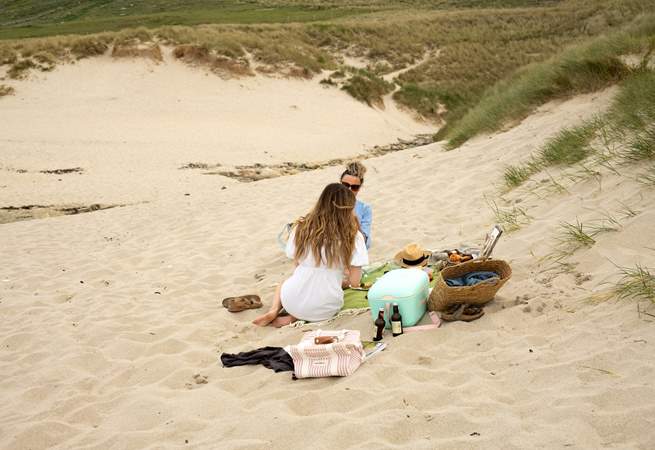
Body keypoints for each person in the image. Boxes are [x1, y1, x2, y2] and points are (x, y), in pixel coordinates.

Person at [253, 183, 369, 327]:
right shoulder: (353, 236)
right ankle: (291, 318)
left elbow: (297, 265)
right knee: (322, 292)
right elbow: (354, 282)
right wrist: (340, 281)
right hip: (326, 309)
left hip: (292, 299)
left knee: (286, 283)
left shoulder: (301, 228)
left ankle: (274, 310)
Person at [340, 161, 372, 249]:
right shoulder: (329, 202)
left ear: (360, 188)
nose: (349, 190)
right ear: (339, 184)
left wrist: (355, 223)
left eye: (354, 187)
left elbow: (366, 243)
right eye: (345, 185)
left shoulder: (364, 208)